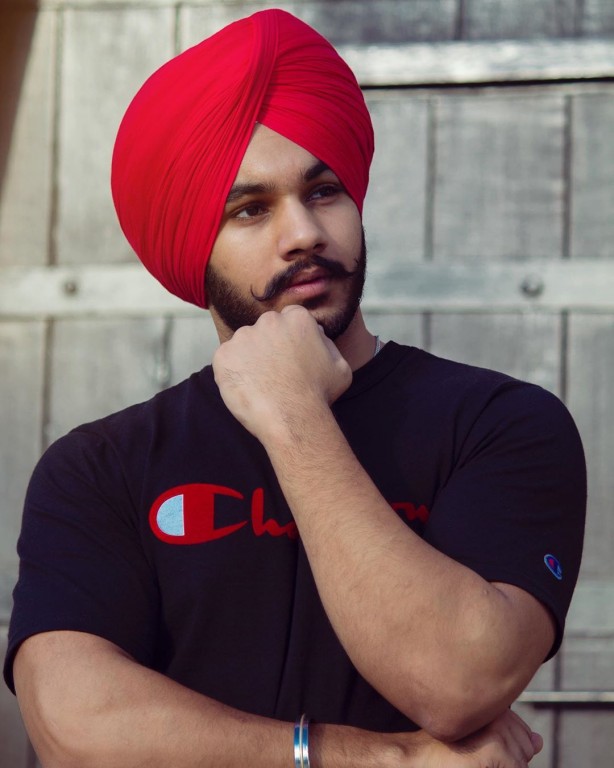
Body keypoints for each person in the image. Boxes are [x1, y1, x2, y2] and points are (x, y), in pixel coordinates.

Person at [4, 9, 585, 768]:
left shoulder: (499, 424)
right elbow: (76, 729)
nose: (304, 232)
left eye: (323, 191)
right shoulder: (100, 467)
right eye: (251, 209)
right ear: (193, 247)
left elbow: (459, 678)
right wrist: (385, 759)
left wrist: (293, 413)